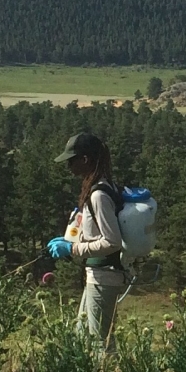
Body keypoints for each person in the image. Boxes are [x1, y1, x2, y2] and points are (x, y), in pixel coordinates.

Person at [48, 132, 127, 344]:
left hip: (104, 277)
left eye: (71, 161)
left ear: (85, 160)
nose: (69, 167)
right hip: (98, 276)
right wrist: (72, 240)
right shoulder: (103, 187)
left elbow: (112, 242)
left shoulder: (99, 195)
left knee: (99, 342)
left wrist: (72, 249)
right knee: (82, 337)